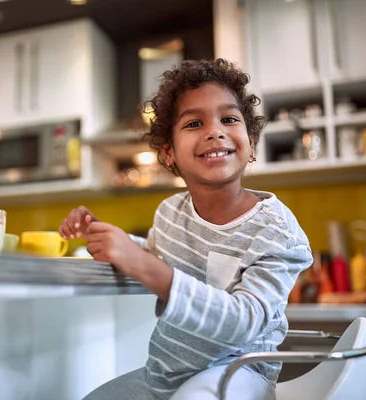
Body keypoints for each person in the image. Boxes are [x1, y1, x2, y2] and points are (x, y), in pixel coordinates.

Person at [58, 59, 313, 400]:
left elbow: (245, 321)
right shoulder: (170, 213)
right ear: (169, 152)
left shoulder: (275, 230)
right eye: (194, 122)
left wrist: (142, 262)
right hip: (165, 375)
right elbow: (157, 255)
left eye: (229, 119)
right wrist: (106, 238)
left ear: (250, 141)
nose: (214, 131)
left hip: (239, 373)